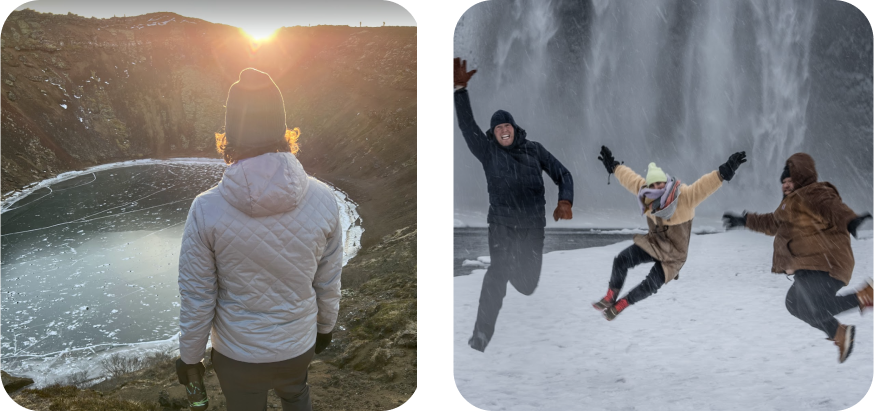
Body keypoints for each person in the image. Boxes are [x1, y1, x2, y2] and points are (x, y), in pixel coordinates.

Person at [176, 68, 342, 410]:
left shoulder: (206, 209)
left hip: (238, 354)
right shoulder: (324, 199)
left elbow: (198, 294)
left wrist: (190, 358)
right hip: (298, 345)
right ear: (283, 131)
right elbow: (327, 280)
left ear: (230, 135)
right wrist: (325, 328)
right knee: (297, 395)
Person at [454, 58, 574, 352]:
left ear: (514, 128)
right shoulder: (487, 153)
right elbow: (467, 126)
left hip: (532, 227)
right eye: (498, 128)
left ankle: (506, 270)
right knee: (497, 272)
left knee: (528, 284)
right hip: (502, 226)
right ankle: (481, 334)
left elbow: (563, 174)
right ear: (493, 134)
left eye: (506, 125)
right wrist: (459, 90)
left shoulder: (535, 150)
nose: (503, 130)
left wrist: (565, 200)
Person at [723, 153, 873, 363]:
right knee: (793, 303)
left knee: (817, 306)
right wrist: (744, 220)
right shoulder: (787, 207)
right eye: (783, 181)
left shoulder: (814, 193)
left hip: (827, 263)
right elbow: (770, 222)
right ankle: (838, 332)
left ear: (801, 178)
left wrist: (851, 220)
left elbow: (833, 208)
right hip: (809, 266)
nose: (785, 185)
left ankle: (866, 296)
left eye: (789, 180)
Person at [593, 146, 747, 320]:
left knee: (651, 283)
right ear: (648, 185)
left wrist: (724, 171)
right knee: (621, 259)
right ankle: (611, 295)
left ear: (666, 183)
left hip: (675, 255)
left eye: (660, 183)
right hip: (654, 243)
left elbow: (703, 186)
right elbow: (629, 178)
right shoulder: (645, 194)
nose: (657, 186)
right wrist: (614, 167)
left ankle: (623, 303)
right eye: (653, 184)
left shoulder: (684, 197)